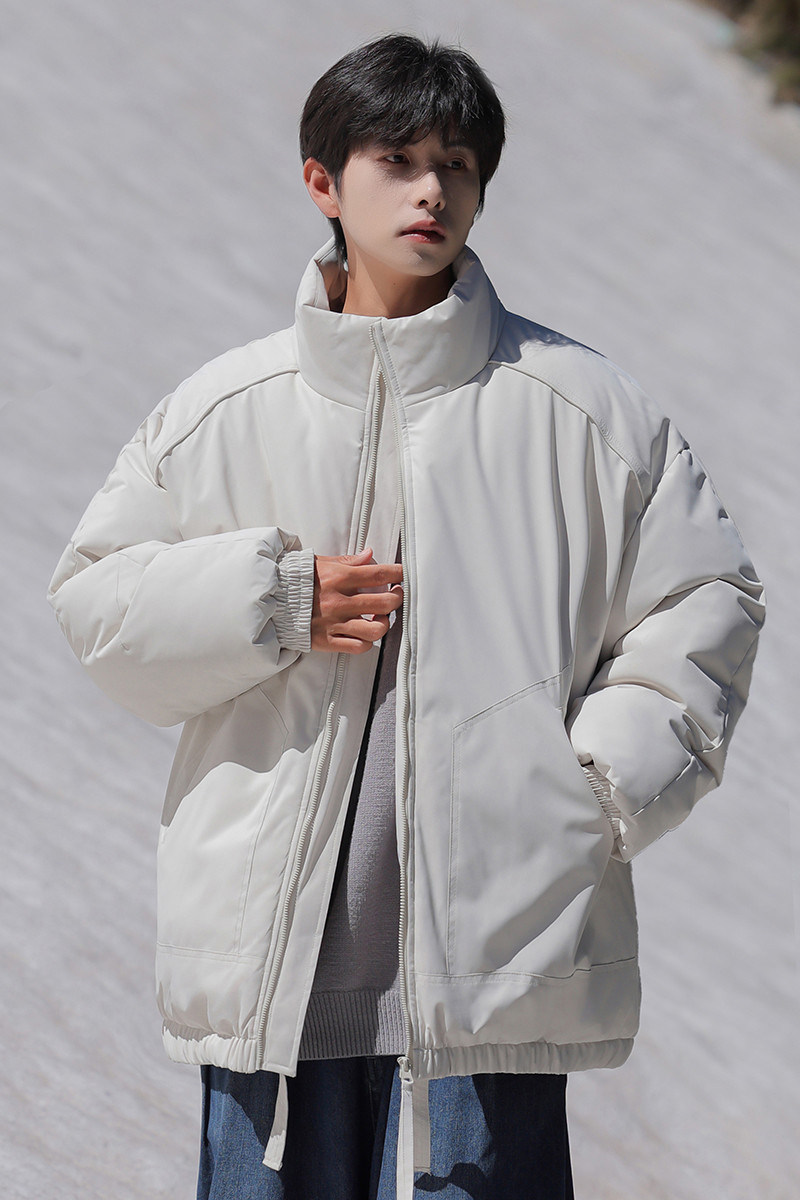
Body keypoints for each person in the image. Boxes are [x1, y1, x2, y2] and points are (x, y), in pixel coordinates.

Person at [47, 33, 765, 1200]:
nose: (431, 188)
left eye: (457, 164)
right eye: (396, 159)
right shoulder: (224, 409)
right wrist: (272, 598)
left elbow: (705, 598)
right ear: (322, 182)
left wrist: (591, 793)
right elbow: (96, 600)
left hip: (494, 963)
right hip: (271, 977)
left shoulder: (580, 410)